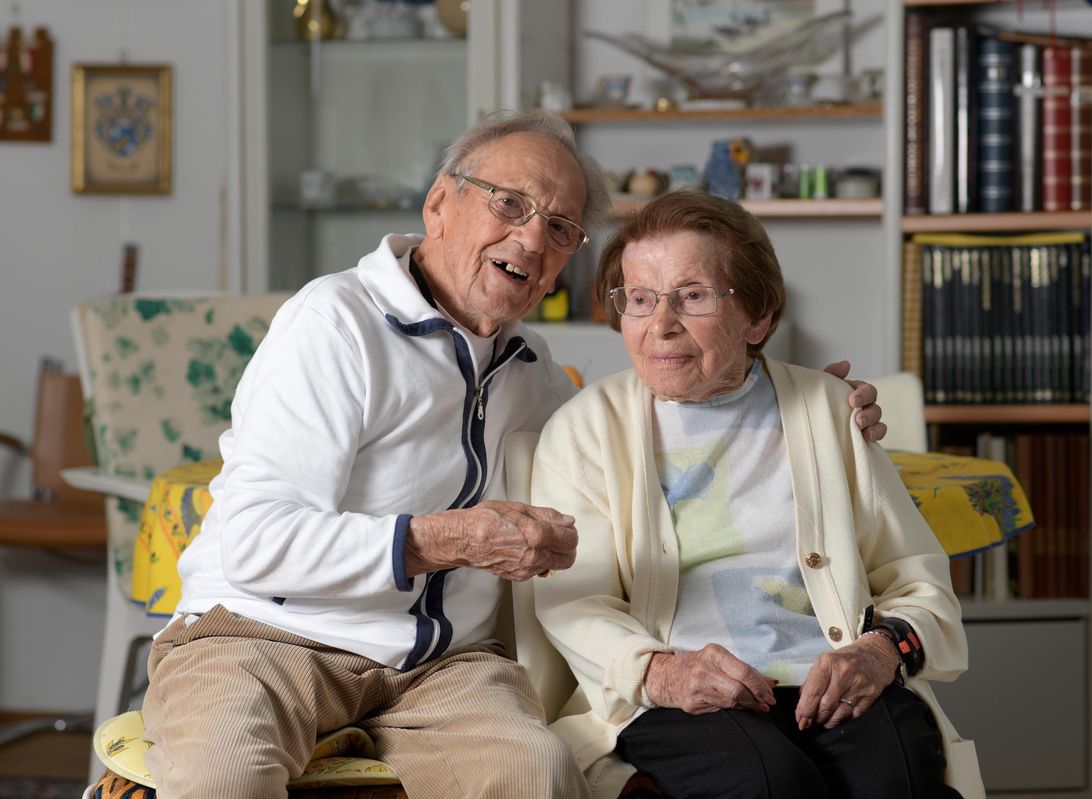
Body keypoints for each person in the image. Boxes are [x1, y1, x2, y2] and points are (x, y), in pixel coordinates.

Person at [138, 111, 887, 799]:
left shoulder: (528, 364)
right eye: (509, 204)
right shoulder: (334, 323)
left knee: (537, 772)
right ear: (439, 203)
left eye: (561, 227)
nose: (532, 239)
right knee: (223, 776)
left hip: (441, 666)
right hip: (263, 636)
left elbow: (635, 442)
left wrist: (790, 404)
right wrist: (453, 536)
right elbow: (254, 539)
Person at [531, 189, 984, 799]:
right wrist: (662, 673)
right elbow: (573, 602)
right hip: (678, 696)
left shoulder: (828, 409)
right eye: (639, 299)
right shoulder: (585, 430)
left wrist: (880, 650)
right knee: (768, 784)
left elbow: (915, 578)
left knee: (896, 778)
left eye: (692, 296)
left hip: (834, 680)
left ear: (759, 318)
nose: (660, 324)